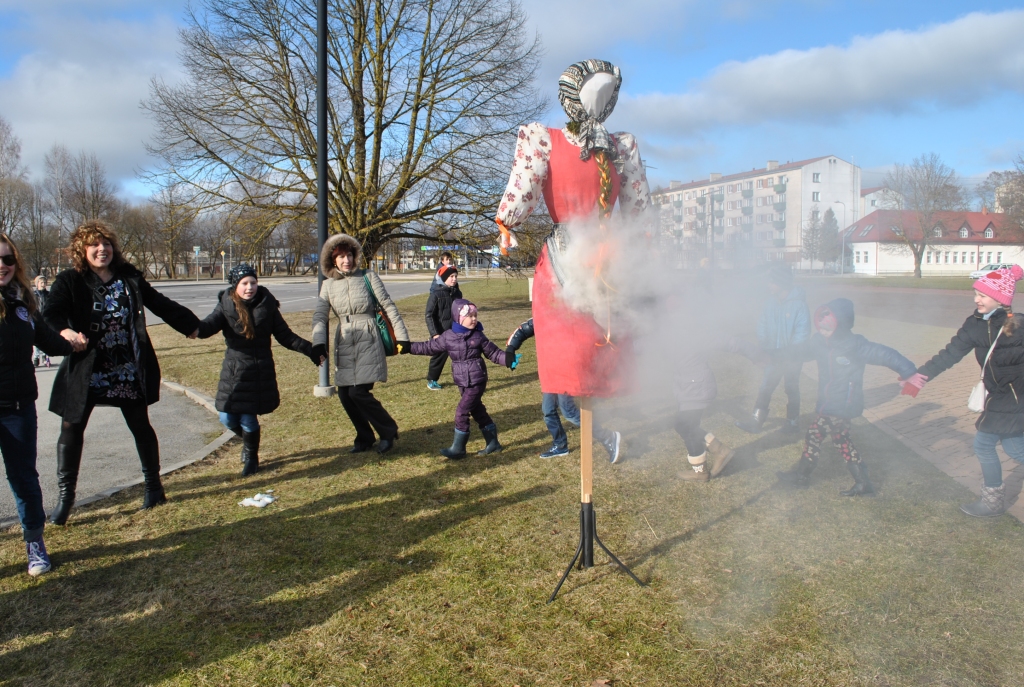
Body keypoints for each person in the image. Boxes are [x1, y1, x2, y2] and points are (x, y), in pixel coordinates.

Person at [43, 220, 200, 524]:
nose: (102, 249)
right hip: (87, 368)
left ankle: (154, 488)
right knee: (71, 428)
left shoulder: (129, 277)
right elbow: (51, 313)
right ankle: (66, 499)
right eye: (94, 245)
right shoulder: (69, 280)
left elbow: (159, 303)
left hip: (127, 365)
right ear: (82, 249)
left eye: (106, 244)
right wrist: (66, 332)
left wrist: (192, 325)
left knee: (140, 424)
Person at [908, 265, 1024, 517]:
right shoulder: (974, 325)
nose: (976, 299)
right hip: (998, 398)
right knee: (1015, 448)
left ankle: (992, 503)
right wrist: (920, 376)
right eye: (976, 293)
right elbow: (950, 353)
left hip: (1017, 399)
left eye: (982, 294)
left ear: (1000, 298)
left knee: (983, 444)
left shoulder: (1019, 326)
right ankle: (992, 502)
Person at [778, 298, 917, 496]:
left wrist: (908, 370)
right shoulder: (818, 342)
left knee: (816, 434)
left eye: (828, 327)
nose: (822, 331)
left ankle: (803, 476)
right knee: (840, 440)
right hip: (828, 402)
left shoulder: (855, 345)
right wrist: (775, 356)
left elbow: (885, 354)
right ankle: (863, 483)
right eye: (821, 327)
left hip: (843, 403)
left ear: (841, 325)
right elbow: (800, 351)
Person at [194, 263, 322, 476]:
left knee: (247, 417)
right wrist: (191, 327)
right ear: (235, 285)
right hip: (234, 370)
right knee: (226, 417)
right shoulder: (226, 305)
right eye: (244, 283)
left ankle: (252, 457)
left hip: (259, 369)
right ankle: (248, 443)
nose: (249, 287)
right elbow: (207, 326)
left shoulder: (267, 304)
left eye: (253, 282)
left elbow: (285, 335)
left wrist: (310, 350)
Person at [0, 234, 77, 575]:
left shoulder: (23, 303)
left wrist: (73, 339)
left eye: (7, 259)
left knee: (23, 478)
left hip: (17, 407)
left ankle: (34, 543)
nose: (2, 265)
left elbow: (47, 340)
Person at [313, 234, 410, 455]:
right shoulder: (327, 286)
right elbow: (320, 317)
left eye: (349, 255)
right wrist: (318, 344)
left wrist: (402, 336)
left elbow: (388, 305)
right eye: (341, 257)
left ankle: (387, 430)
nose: (346, 260)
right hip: (345, 339)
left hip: (368, 336)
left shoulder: (368, 276)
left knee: (358, 392)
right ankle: (364, 437)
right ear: (333, 260)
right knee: (345, 395)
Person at [404, 299, 511, 459]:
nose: (474, 319)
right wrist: (408, 347)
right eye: (470, 316)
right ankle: (493, 443)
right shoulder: (448, 337)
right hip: (462, 381)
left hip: (476, 380)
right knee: (477, 410)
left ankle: (458, 449)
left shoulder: (478, 336)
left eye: (475, 315)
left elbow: (494, 353)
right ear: (459, 318)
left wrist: (508, 359)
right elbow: (428, 347)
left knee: (461, 412)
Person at [504, 318, 622, 462]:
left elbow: (597, 332)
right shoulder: (545, 315)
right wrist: (511, 348)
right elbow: (524, 329)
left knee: (569, 412)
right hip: (551, 372)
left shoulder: (573, 314)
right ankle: (560, 445)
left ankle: (607, 437)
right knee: (548, 410)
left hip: (568, 371)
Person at [737, 265, 810, 434]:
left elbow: (802, 333)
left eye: (772, 281)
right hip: (772, 354)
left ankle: (792, 423)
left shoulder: (799, 306)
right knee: (766, 386)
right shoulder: (770, 302)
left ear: (782, 283)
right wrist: (763, 342)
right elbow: (762, 322)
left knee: (791, 388)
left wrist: (788, 352)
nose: (769, 285)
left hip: (792, 356)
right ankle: (756, 420)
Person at [424, 264, 462, 390]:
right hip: (441, 333)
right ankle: (432, 380)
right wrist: (435, 334)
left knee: (461, 355)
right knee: (439, 356)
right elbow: (429, 315)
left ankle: (463, 379)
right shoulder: (436, 294)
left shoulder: (457, 293)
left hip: (455, 331)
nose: (454, 279)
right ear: (444, 278)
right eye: (451, 276)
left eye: (456, 276)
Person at [32, 275, 51, 367]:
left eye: (44, 282)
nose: (43, 284)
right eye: (41, 283)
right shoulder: (34, 295)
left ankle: (45, 356)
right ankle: (36, 357)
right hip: (37, 319)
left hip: (46, 319)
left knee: (46, 338)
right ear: (37, 284)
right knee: (36, 340)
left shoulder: (48, 294)